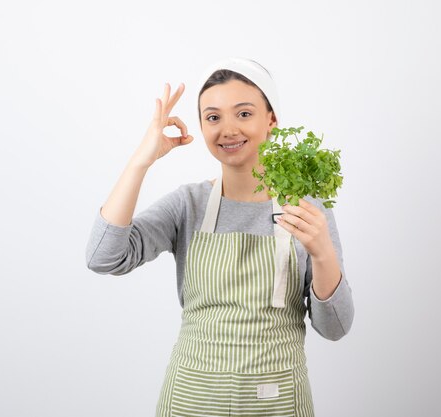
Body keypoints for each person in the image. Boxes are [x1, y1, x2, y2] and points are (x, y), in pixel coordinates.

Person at [85, 57, 354, 417]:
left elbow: (334, 327)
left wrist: (323, 254)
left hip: (276, 401)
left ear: (270, 119)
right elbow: (104, 257)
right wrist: (140, 161)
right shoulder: (188, 204)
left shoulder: (306, 209)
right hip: (190, 400)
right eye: (213, 117)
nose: (228, 129)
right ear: (200, 125)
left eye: (244, 113)